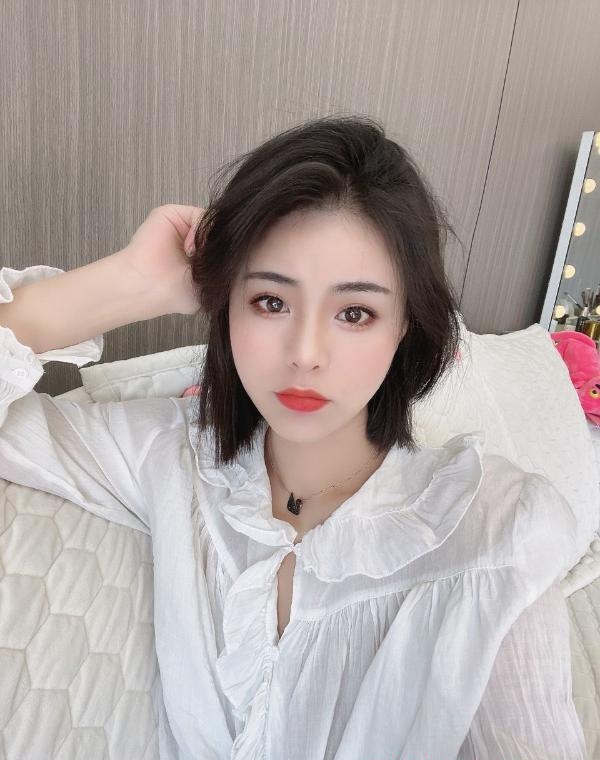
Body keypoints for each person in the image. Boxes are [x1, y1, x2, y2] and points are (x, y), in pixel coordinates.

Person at [0, 115, 588, 759]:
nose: (305, 353)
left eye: (355, 312)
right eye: (271, 302)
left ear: (405, 328)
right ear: (226, 306)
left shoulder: (495, 531)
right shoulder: (171, 455)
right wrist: (133, 282)